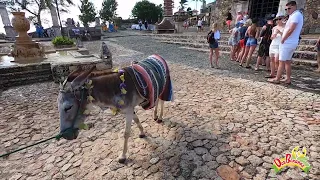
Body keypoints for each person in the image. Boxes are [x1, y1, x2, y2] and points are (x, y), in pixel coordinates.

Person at [268, 1, 304, 85]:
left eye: (289, 8)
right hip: (292, 42)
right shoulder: (296, 15)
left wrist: (283, 39)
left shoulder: (296, 15)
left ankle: (277, 78)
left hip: (288, 42)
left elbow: (291, 29)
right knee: (287, 61)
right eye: (286, 9)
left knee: (281, 61)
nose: (287, 10)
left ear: (294, 6)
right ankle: (288, 79)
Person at [265, 13, 285, 78]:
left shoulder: (285, 27)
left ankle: (278, 74)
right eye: (276, 19)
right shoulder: (274, 28)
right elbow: (271, 37)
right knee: (272, 59)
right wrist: (273, 36)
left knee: (277, 60)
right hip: (273, 44)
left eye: (279, 19)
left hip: (280, 45)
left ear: (282, 19)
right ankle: (272, 73)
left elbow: (285, 36)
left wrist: (279, 32)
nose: (278, 20)